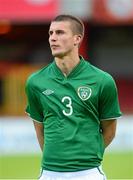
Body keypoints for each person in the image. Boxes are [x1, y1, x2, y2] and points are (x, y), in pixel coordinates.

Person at [25, 14, 122, 180]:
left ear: (77, 39)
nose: (53, 38)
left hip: (89, 173)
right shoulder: (35, 82)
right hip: (49, 173)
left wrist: (87, 156)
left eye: (60, 33)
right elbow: (40, 130)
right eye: (51, 33)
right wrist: (58, 161)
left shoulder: (102, 80)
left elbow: (110, 130)